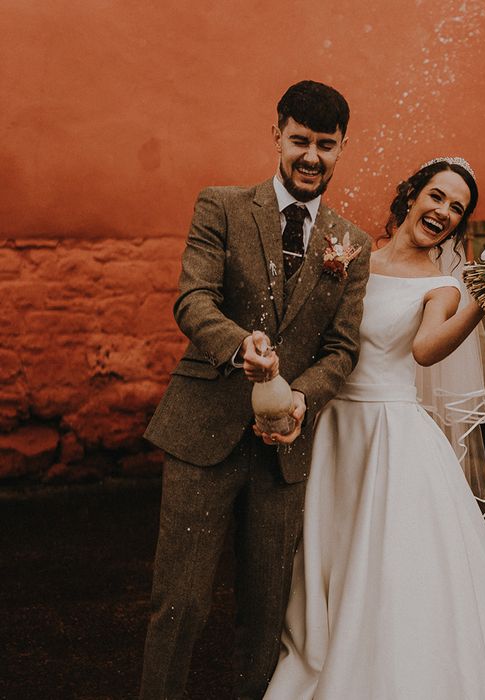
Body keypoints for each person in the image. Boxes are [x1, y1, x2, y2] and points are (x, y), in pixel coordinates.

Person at [262, 157, 485, 699]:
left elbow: (428, 350)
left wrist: (482, 298)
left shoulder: (442, 286)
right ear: (412, 195)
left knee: (390, 562)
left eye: (457, 208)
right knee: (327, 551)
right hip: (333, 425)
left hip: (391, 435)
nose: (444, 211)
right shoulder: (352, 255)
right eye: (437, 196)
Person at [139, 80, 371, 700]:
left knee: (266, 616)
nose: (311, 157)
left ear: (343, 147)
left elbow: (342, 350)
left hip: (284, 451)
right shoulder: (221, 206)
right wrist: (242, 345)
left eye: (326, 144)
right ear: (277, 134)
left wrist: (301, 398)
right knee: (181, 604)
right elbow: (193, 298)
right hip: (203, 431)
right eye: (300, 140)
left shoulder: (353, 244)